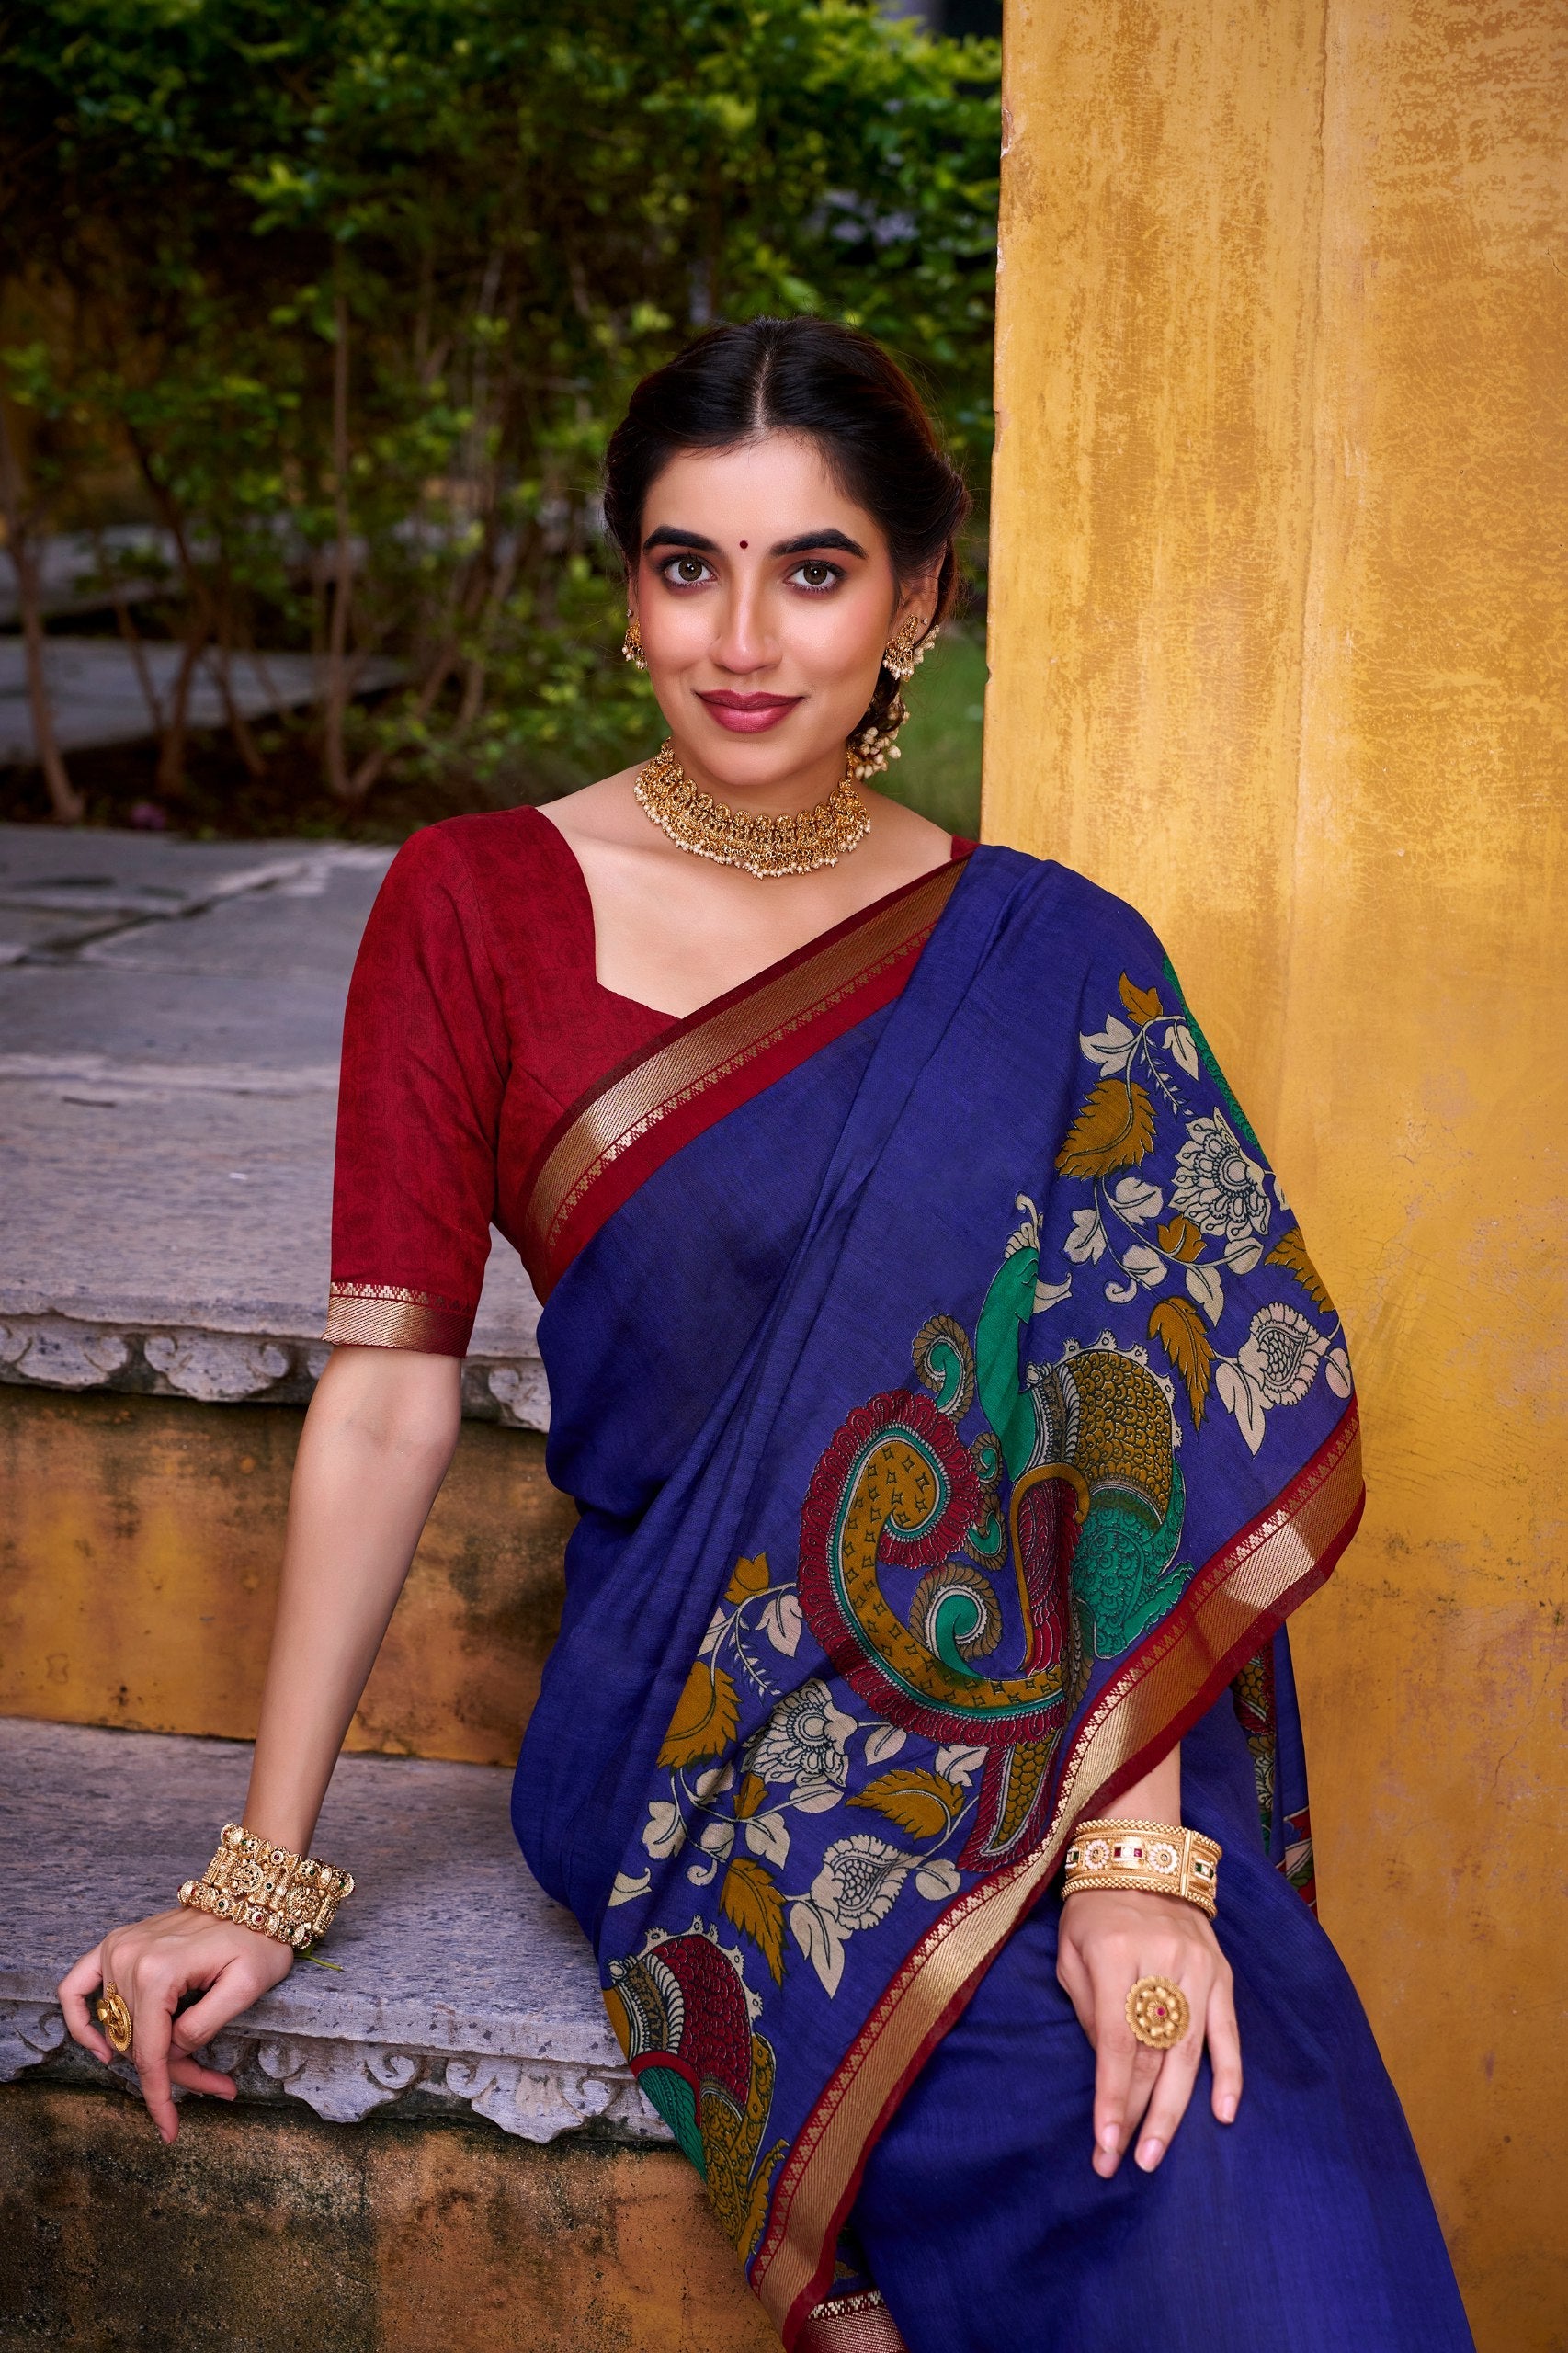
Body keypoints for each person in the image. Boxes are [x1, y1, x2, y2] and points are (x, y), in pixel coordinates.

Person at [59, 318, 1474, 2353]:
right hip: (711, 1733)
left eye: (812, 570)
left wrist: (1135, 1854)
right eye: (685, 565)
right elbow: (384, 1397)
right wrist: (256, 1874)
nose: (741, 638)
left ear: (915, 600)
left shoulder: (1048, 949)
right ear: (626, 590)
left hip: (1074, 1718)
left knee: (1231, 2121)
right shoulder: (475, 905)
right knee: (1053, 2096)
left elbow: (1131, 1401)